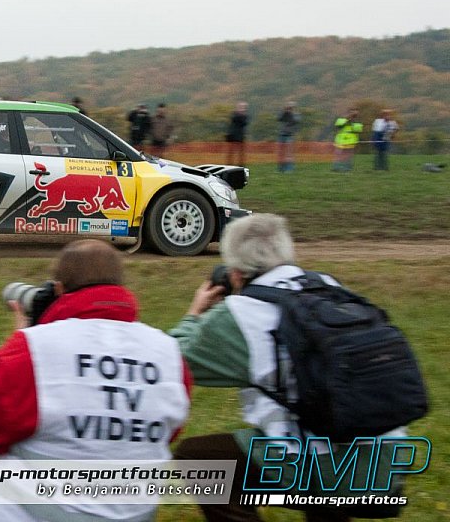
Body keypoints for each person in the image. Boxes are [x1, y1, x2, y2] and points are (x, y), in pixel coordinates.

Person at [0, 240, 191, 522]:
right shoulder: (169, 352)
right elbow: (168, 430)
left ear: (58, 289)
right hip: (135, 512)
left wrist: (18, 342)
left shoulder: (35, 347)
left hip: (39, 509)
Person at [169, 214, 407, 522]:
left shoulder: (241, 313)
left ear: (236, 273)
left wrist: (195, 313)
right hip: (386, 462)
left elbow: (172, 361)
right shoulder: (329, 287)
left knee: (200, 458)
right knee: (309, 431)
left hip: (327, 467)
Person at [332, 108, 362, 172]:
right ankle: (336, 168)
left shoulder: (357, 121)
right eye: (352, 113)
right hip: (340, 140)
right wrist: (347, 119)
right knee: (338, 154)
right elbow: (338, 125)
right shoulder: (341, 119)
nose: (353, 114)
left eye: (355, 113)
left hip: (351, 140)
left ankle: (347, 168)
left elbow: (358, 129)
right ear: (348, 113)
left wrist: (352, 122)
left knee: (348, 155)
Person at [276, 101, 300, 172]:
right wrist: (285, 112)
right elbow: (279, 119)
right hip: (281, 134)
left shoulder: (296, 114)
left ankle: (289, 169)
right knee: (281, 153)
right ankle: (281, 169)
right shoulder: (284, 113)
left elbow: (295, 121)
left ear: (294, 108)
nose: (290, 108)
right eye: (289, 106)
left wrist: (290, 113)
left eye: (291, 107)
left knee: (289, 153)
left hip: (290, 135)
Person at [225, 101, 249, 166]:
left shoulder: (245, 116)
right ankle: (229, 165)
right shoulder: (234, 114)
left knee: (241, 152)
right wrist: (240, 113)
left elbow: (244, 123)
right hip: (232, 135)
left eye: (244, 107)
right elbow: (235, 119)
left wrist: (242, 114)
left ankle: (241, 165)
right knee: (231, 152)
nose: (243, 108)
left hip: (240, 135)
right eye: (241, 107)